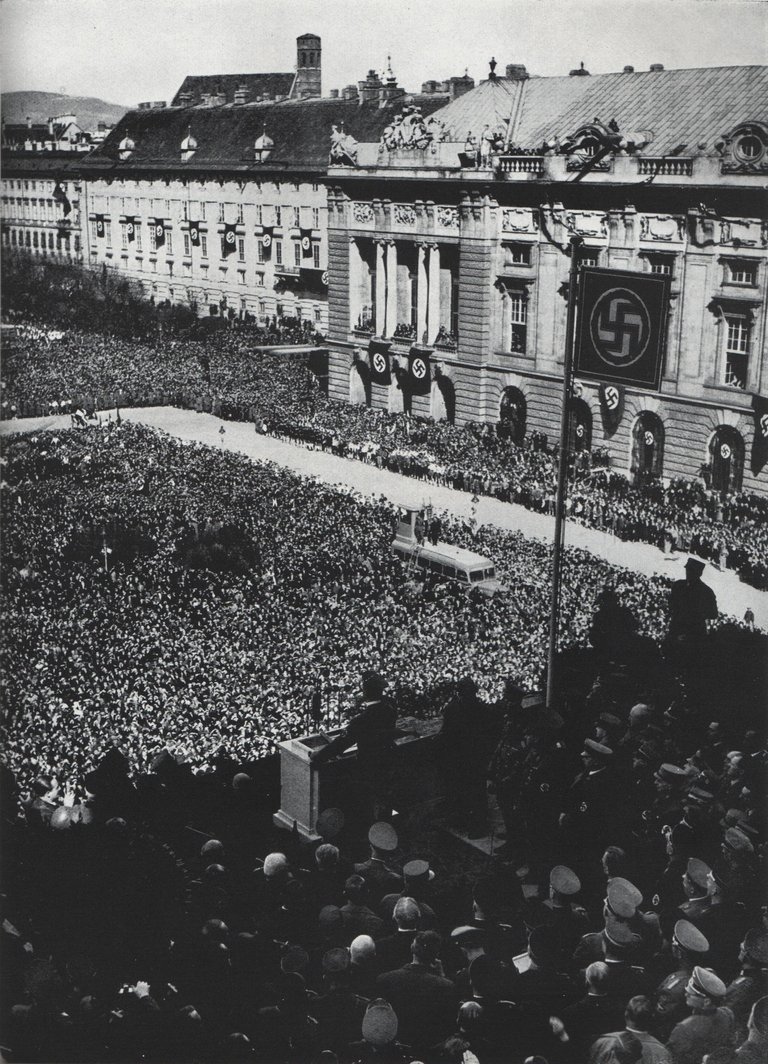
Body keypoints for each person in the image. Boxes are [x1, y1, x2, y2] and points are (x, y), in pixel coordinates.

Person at [310, 671, 398, 822]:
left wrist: (318, 757)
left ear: (365, 692)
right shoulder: (390, 707)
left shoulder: (362, 720)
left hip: (369, 766)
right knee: (383, 800)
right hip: (388, 762)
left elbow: (340, 745)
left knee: (367, 803)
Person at [667, 559, 718, 665]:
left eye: (691, 571)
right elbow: (671, 603)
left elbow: (713, 614)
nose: (688, 573)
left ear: (699, 573)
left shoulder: (706, 592)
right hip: (677, 627)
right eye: (688, 570)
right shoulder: (678, 585)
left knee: (691, 662)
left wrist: (696, 614)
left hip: (694, 632)